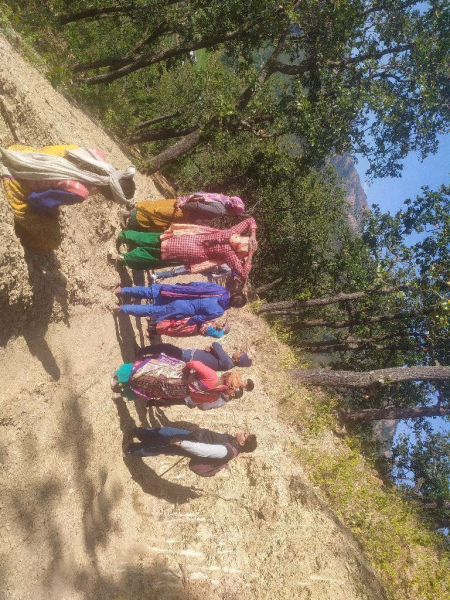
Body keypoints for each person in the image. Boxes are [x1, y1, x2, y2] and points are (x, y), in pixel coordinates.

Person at [0, 143, 135, 250]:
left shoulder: (93, 153)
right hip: (15, 178)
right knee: (53, 240)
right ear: (108, 196)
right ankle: (21, 238)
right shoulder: (79, 191)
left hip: (20, 154)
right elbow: (36, 200)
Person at [110, 217, 257, 280]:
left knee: (153, 239)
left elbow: (251, 220)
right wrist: (249, 254)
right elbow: (244, 273)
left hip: (183, 238)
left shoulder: (230, 233)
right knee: (152, 256)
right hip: (185, 254)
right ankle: (123, 257)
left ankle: (124, 235)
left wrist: (252, 235)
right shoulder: (229, 254)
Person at [111, 352, 251, 409]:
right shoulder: (214, 396)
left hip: (176, 377)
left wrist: (187, 369)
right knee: (149, 390)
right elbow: (195, 399)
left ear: (227, 376)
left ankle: (118, 377)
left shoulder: (212, 376)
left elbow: (194, 364)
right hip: (176, 391)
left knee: (147, 370)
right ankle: (120, 394)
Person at [125, 426, 257, 467]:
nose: (242, 432)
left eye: (244, 435)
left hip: (187, 443)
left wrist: (182, 443)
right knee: (164, 432)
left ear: (242, 443)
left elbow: (202, 450)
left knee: (160, 445)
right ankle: (140, 433)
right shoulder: (232, 442)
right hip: (191, 436)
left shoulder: (226, 451)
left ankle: (132, 450)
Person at [113, 281, 246, 321]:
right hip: (182, 308)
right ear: (235, 306)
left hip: (180, 292)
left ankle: (121, 290)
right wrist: (188, 322)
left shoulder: (219, 289)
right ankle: (120, 308)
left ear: (234, 294)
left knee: (151, 292)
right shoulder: (219, 311)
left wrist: (185, 285)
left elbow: (198, 285)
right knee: (152, 310)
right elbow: (198, 318)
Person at [121, 192, 245, 232]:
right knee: (157, 215)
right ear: (232, 210)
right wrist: (184, 206)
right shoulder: (220, 210)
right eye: (234, 213)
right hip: (184, 211)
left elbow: (199, 195)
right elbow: (199, 206)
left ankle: (134, 207)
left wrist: (183, 201)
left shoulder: (220, 198)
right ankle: (128, 215)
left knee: (158, 206)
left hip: (183, 202)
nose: (233, 215)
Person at [139, 342, 253, 372]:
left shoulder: (227, 361)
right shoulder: (228, 364)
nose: (238, 351)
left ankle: (141, 352)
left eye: (240, 353)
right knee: (166, 357)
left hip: (190, 357)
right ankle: (143, 359)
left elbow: (216, 344)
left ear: (238, 359)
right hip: (191, 357)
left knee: (166, 348)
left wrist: (214, 348)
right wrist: (212, 350)